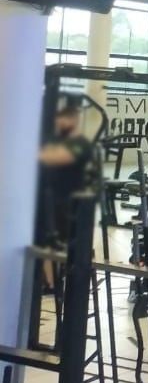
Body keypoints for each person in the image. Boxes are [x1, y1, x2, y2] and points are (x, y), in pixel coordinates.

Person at [37, 106, 95, 288]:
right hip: (49, 199)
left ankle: (60, 284)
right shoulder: (54, 140)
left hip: (68, 203)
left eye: (63, 119)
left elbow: (53, 158)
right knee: (44, 242)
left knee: (60, 245)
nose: (59, 123)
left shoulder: (81, 144)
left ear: (73, 120)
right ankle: (49, 284)